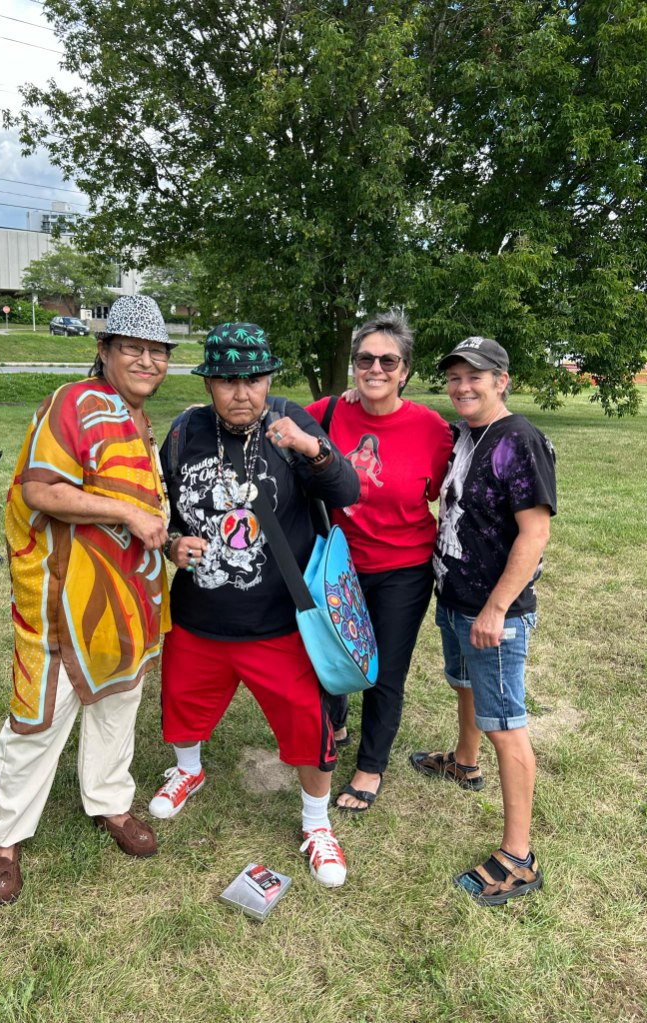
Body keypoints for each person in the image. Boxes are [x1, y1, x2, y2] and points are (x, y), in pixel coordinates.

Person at [0, 295, 174, 905]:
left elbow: (148, 509)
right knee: (38, 716)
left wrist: (167, 539)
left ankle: (110, 803)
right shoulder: (76, 403)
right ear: (105, 351)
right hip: (63, 597)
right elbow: (40, 490)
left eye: (157, 351)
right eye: (132, 349)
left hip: (127, 596)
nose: (147, 360)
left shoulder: (138, 421)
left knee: (118, 701)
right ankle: (6, 837)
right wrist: (124, 510)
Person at [150, 322, 360, 887]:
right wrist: (172, 544)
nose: (242, 393)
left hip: (279, 621)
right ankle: (187, 771)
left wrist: (311, 448)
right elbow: (163, 510)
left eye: (254, 379)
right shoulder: (182, 432)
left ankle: (316, 825)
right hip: (200, 617)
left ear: (269, 380)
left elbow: (348, 492)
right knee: (183, 703)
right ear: (210, 383)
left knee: (304, 724)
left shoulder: (289, 422)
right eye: (228, 381)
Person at [410, 336, 556, 905]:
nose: (463, 386)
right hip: (455, 596)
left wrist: (496, 609)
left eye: (477, 376)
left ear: (503, 380)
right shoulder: (467, 434)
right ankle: (465, 764)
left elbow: (535, 532)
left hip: (494, 610)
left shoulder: (518, 441)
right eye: (454, 377)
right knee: (462, 683)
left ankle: (518, 858)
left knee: (505, 722)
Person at [305, 310, 453, 811]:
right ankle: (336, 726)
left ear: (405, 370)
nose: (376, 369)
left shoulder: (431, 430)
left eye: (388, 361)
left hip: (403, 569)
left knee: (384, 671)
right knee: (331, 653)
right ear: (353, 366)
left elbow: (460, 483)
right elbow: (275, 424)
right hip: (337, 564)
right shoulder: (327, 411)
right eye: (365, 359)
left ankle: (370, 767)